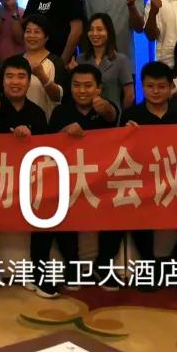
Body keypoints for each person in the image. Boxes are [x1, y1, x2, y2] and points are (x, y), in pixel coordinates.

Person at [96, 62, 177, 291]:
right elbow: (120, 155)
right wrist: (126, 135)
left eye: (161, 87)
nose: (155, 91)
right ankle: (148, 264)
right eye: (150, 86)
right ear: (142, 87)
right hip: (143, 182)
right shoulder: (132, 115)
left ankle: (176, 262)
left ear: (170, 88)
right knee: (133, 203)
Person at [34, 65, 119, 297]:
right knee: (60, 206)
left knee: (121, 205)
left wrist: (107, 109)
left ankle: (103, 264)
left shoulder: (106, 107)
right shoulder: (61, 111)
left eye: (88, 86)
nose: (82, 91)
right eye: (76, 85)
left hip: (102, 180)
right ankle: (72, 265)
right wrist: (63, 132)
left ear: (99, 88)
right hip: (68, 179)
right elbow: (49, 146)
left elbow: (113, 118)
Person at [0, 56, 48, 295]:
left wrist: (29, 137)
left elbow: (46, 153)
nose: (15, 82)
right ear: (2, 81)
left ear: (29, 81)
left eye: (21, 77)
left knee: (48, 206)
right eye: (9, 76)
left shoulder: (37, 113)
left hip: (30, 181)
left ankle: (39, 273)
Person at [75, 12, 134, 110]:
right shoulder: (80, 59)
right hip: (85, 114)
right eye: (91, 30)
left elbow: (130, 95)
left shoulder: (120, 60)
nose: (94, 33)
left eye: (99, 29)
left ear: (108, 32)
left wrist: (119, 115)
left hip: (111, 115)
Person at [20, 13, 67, 120]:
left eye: (37, 32)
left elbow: (58, 97)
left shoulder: (55, 62)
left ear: (46, 37)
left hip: (45, 122)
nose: (32, 36)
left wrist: (41, 76)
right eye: (28, 31)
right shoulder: (17, 60)